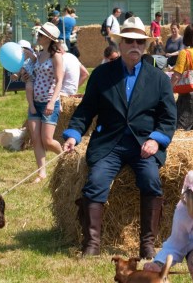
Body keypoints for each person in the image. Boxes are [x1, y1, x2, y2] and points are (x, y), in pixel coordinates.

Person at [63, 16, 176, 258]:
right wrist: (73, 134)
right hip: (109, 144)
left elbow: (168, 117)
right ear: (120, 44)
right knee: (95, 182)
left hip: (143, 144)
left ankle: (147, 245)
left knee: (151, 180)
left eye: (139, 42)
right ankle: (91, 245)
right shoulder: (101, 75)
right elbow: (85, 110)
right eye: (129, 41)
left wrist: (156, 139)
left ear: (145, 46)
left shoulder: (158, 78)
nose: (134, 46)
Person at [26, 23, 64, 183]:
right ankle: (41, 173)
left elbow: (59, 80)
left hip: (49, 102)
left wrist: (52, 102)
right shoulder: (40, 54)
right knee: (35, 139)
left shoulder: (56, 55)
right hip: (35, 102)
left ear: (49, 38)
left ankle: (64, 157)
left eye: (41, 35)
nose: (38, 37)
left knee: (47, 140)